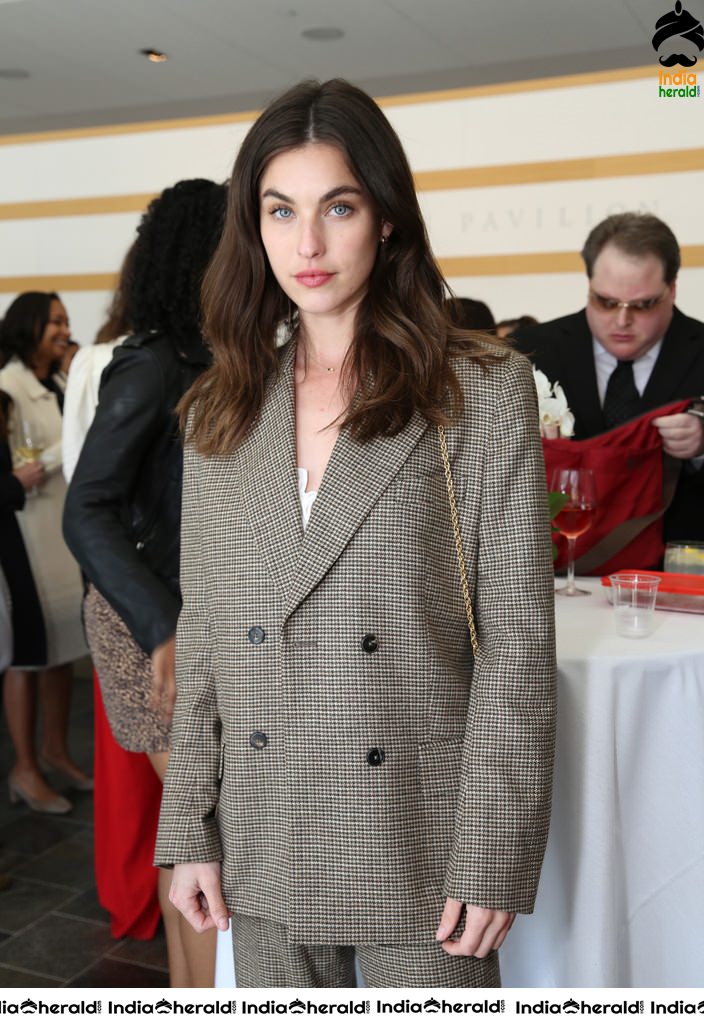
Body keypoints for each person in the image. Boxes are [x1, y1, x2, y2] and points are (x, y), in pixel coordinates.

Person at [155, 79, 556, 989]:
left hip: (418, 852)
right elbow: (210, 633)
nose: (308, 244)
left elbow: (517, 647)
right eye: (279, 209)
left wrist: (495, 849)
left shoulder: (477, 392)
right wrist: (188, 831)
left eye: (338, 206)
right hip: (262, 848)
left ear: (385, 217)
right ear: (250, 227)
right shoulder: (220, 406)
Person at [64, 179, 227, 987]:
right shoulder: (153, 362)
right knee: (208, 825)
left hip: (184, 616)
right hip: (145, 625)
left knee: (192, 830)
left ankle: (188, 993)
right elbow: (84, 509)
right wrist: (163, 625)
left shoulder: (210, 353)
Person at [513, 212, 704, 543]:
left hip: (675, 570)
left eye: (642, 305)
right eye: (606, 302)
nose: (622, 320)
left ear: (672, 290)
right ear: (588, 285)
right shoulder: (529, 353)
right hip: (556, 573)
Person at [0, 294, 89, 814]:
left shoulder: (57, 381)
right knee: (29, 654)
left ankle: (57, 752)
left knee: (64, 645)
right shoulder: (7, 384)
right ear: (28, 326)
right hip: (24, 534)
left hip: (60, 532)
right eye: (55, 321)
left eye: (66, 321)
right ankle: (25, 767)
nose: (64, 330)